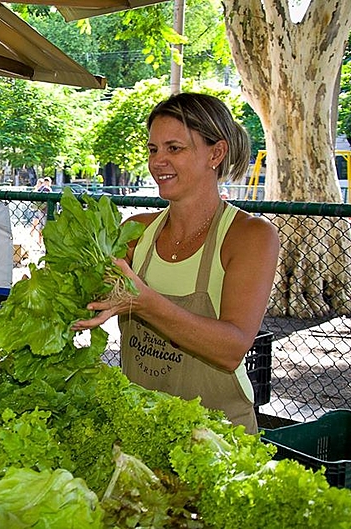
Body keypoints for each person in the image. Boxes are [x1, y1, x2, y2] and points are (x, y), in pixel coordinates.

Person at [72, 92, 279, 433]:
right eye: (153, 150)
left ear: (216, 153)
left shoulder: (250, 236)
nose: (157, 162)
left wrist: (145, 303)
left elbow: (232, 348)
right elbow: (95, 296)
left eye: (174, 148)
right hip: (139, 425)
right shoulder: (136, 231)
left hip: (217, 435)